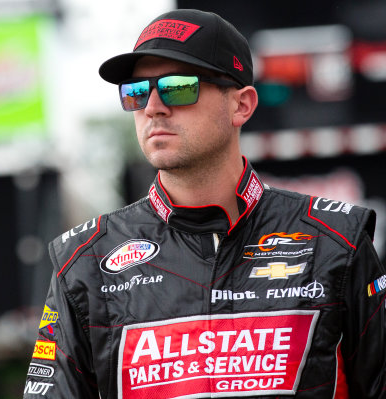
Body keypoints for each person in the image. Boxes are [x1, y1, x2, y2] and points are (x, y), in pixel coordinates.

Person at [24, 9, 386, 399]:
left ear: (241, 106)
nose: (153, 107)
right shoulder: (84, 262)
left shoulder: (338, 242)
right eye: (136, 91)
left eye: (178, 87)